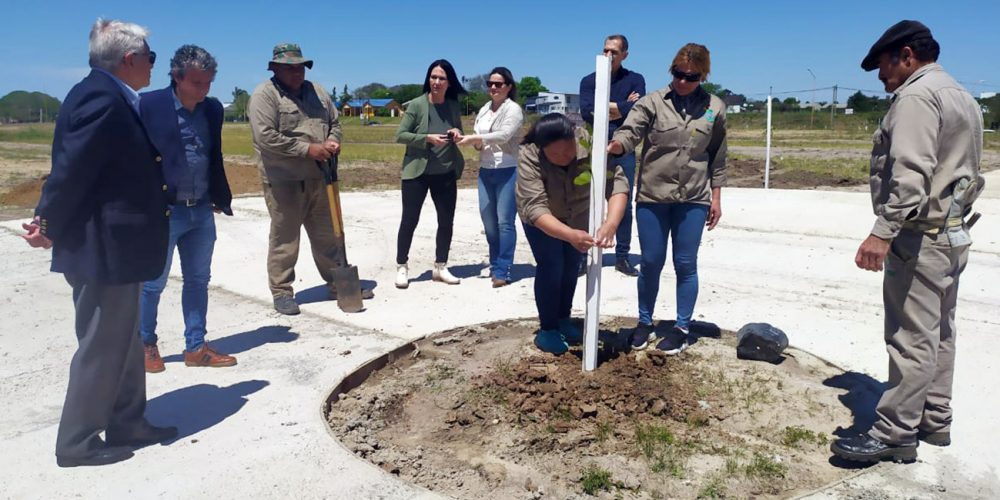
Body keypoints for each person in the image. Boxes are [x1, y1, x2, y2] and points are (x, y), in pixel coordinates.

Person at [21, 18, 177, 467]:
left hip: (117, 246)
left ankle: (128, 421)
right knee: (102, 345)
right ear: (129, 60)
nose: (153, 66)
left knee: (125, 341)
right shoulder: (100, 99)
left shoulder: (108, 96)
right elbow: (72, 170)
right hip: (102, 247)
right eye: (150, 58)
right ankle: (77, 441)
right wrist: (46, 221)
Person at [831, 20, 984, 464]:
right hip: (953, 233)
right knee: (941, 333)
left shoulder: (916, 97)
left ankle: (895, 433)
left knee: (910, 336)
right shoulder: (960, 94)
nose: (880, 77)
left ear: (906, 56)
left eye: (882, 65)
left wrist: (882, 232)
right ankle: (935, 419)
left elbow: (911, 176)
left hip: (921, 237)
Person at [608, 43, 727, 354]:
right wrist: (615, 146)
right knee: (650, 262)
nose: (684, 81)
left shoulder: (715, 107)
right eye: (679, 74)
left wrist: (716, 196)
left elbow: (717, 155)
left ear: (704, 75)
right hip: (652, 196)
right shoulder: (652, 103)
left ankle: (681, 327)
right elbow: (630, 131)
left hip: (694, 198)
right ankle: (644, 323)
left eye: (692, 76)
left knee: (686, 264)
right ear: (671, 70)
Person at [248, 43, 371, 315]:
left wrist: (332, 140)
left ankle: (339, 283)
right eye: (290, 68)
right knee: (285, 240)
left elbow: (335, 123)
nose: (297, 73)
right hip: (284, 182)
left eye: (300, 67)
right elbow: (265, 137)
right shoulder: (264, 96)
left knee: (329, 237)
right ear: (276, 68)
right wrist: (308, 149)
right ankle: (281, 292)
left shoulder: (318, 92)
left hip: (320, 178)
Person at [138, 45, 236, 373]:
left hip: (201, 210)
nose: (204, 90)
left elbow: (214, 155)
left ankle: (195, 347)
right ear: (177, 77)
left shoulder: (212, 110)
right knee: (153, 282)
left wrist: (219, 195)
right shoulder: (148, 105)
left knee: (198, 280)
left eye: (208, 83)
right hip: (165, 211)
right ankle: (144, 344)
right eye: (197, 83)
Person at [516, 113, 629, 355]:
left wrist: (610, 224)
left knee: (570, 268)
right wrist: (568, 235)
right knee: (551, 266)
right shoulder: (529, 154)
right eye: (554, 154)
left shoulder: (590, 144)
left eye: (567, 151)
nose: (563, 158)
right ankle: (547, 329)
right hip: (543, 222)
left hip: (577, 217)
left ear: (573, 139)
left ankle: (563, 319)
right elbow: (535, 207)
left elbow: (617, 184)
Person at [394, 59, 467, 289]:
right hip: (417, 172)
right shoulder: (416, 105)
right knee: (409, 220)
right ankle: (402, 266)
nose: (436, 82)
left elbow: (459, 132)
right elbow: (400, 135)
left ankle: (440, 266)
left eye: (441, 78)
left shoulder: (453, 105)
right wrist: (426, 138)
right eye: (433, 77)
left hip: (445, 171)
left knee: (446, 221)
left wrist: (456, 132)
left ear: (449, 82)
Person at [580, 34, 646, 277]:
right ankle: (582, 255)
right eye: (605, 50)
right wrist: (619, 106)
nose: (608, 55)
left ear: (625, 55)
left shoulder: (635, 79)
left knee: (623, 203)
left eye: (614, 52)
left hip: (623, 147)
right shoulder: (589, 80)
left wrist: (606, 107)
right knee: (586, 202)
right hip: (593, 147)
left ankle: (622, 256)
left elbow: (637, 110)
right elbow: (587, 112)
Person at [458, 67, 524, 287]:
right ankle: (495, 262)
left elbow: (505, 135)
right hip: (486, 170)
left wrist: (476, 137)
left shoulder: (513, 109)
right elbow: (480, 143)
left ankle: (503, 269)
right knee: (489, 222)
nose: (493, 88)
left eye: (498, 84)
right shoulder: (485, 109)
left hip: (508, 169)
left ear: (508, 87)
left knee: (505, 222)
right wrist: (474, 142)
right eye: (490, 84)